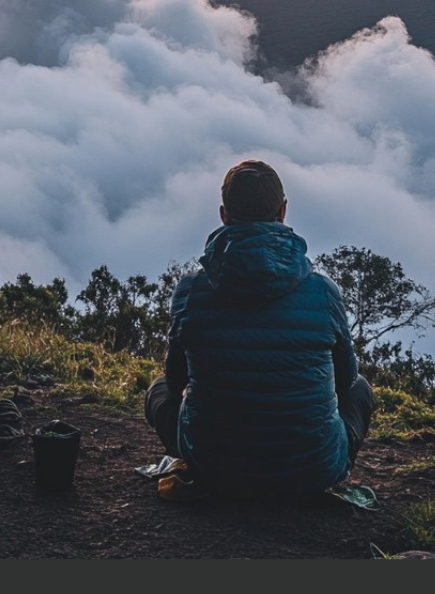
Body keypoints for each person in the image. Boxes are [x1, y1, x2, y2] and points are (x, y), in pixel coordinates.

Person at [144, 158, 374, 496]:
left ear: (223, 215)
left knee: (159, 390)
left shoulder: (191, 290)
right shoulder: (323, 291)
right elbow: (346, 381)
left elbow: (177, 380)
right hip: (312, 472)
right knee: (361, 390)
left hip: (214, 468)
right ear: (283, 212)